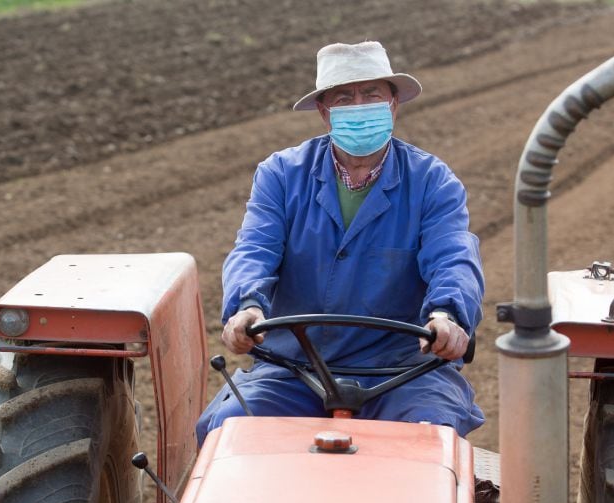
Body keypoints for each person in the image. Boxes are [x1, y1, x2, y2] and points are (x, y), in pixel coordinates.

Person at [196, 41, 485, 444]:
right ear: (324, 111)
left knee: (431, 436)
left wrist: (447, 315)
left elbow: (452, 255)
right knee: (231, 430)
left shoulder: (432, 181)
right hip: (293, 366)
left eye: (371, 95)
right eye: (344, 98)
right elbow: (254, 248)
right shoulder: (281, 174)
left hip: (399, 369)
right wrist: (246, 306)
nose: (359, 105)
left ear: (393, 104)